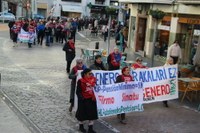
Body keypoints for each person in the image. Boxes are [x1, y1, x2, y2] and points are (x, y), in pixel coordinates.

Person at [76, 68, 98, 133]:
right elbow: (78, 91)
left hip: (92, 99)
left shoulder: (93, 80)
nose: (91, 75)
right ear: (85, 74)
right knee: (82, 114)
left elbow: (97, 88)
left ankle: (90, 128)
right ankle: (81, 127)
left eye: (91, 73)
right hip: (84, 100)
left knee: (92, 114)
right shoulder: (81, 81)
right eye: (89, 73)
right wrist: (81, 98)